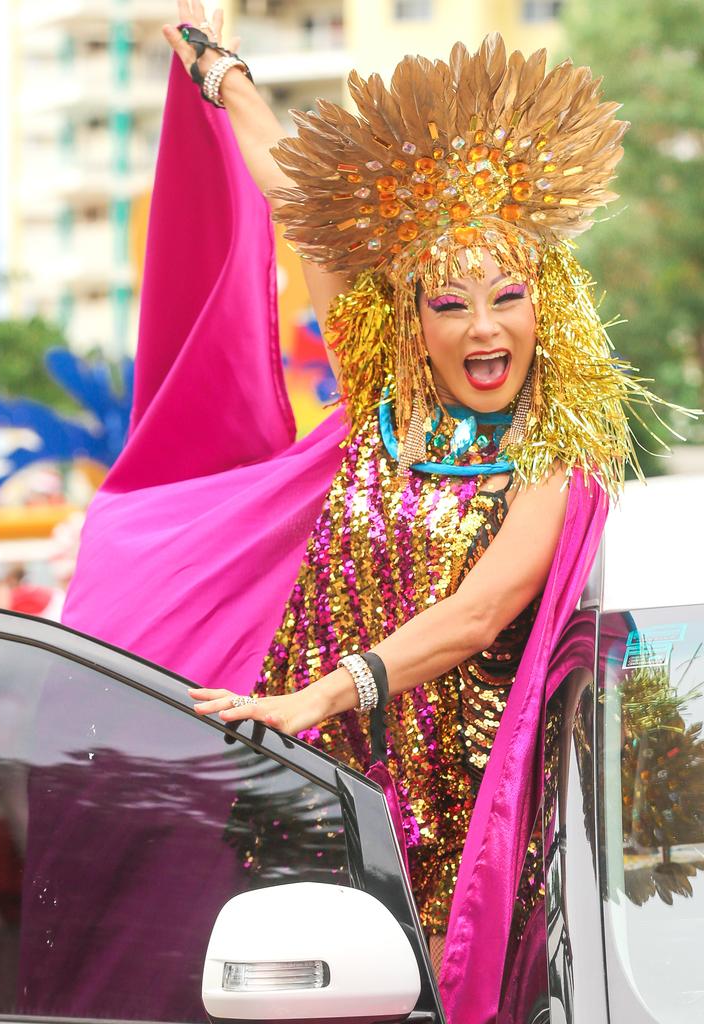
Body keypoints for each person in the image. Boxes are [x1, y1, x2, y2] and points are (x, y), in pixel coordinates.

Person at [62, 6, 690, 1020]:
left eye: (507, 296)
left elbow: (482, 612)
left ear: (547, 303)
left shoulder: (559, 454)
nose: (485, 325)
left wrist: (325, 694)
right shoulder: (381, 400)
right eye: (450, 303)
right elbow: (300, 203)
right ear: (415, 319)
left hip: (460, 836)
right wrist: (224, 76)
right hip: (316, 804)